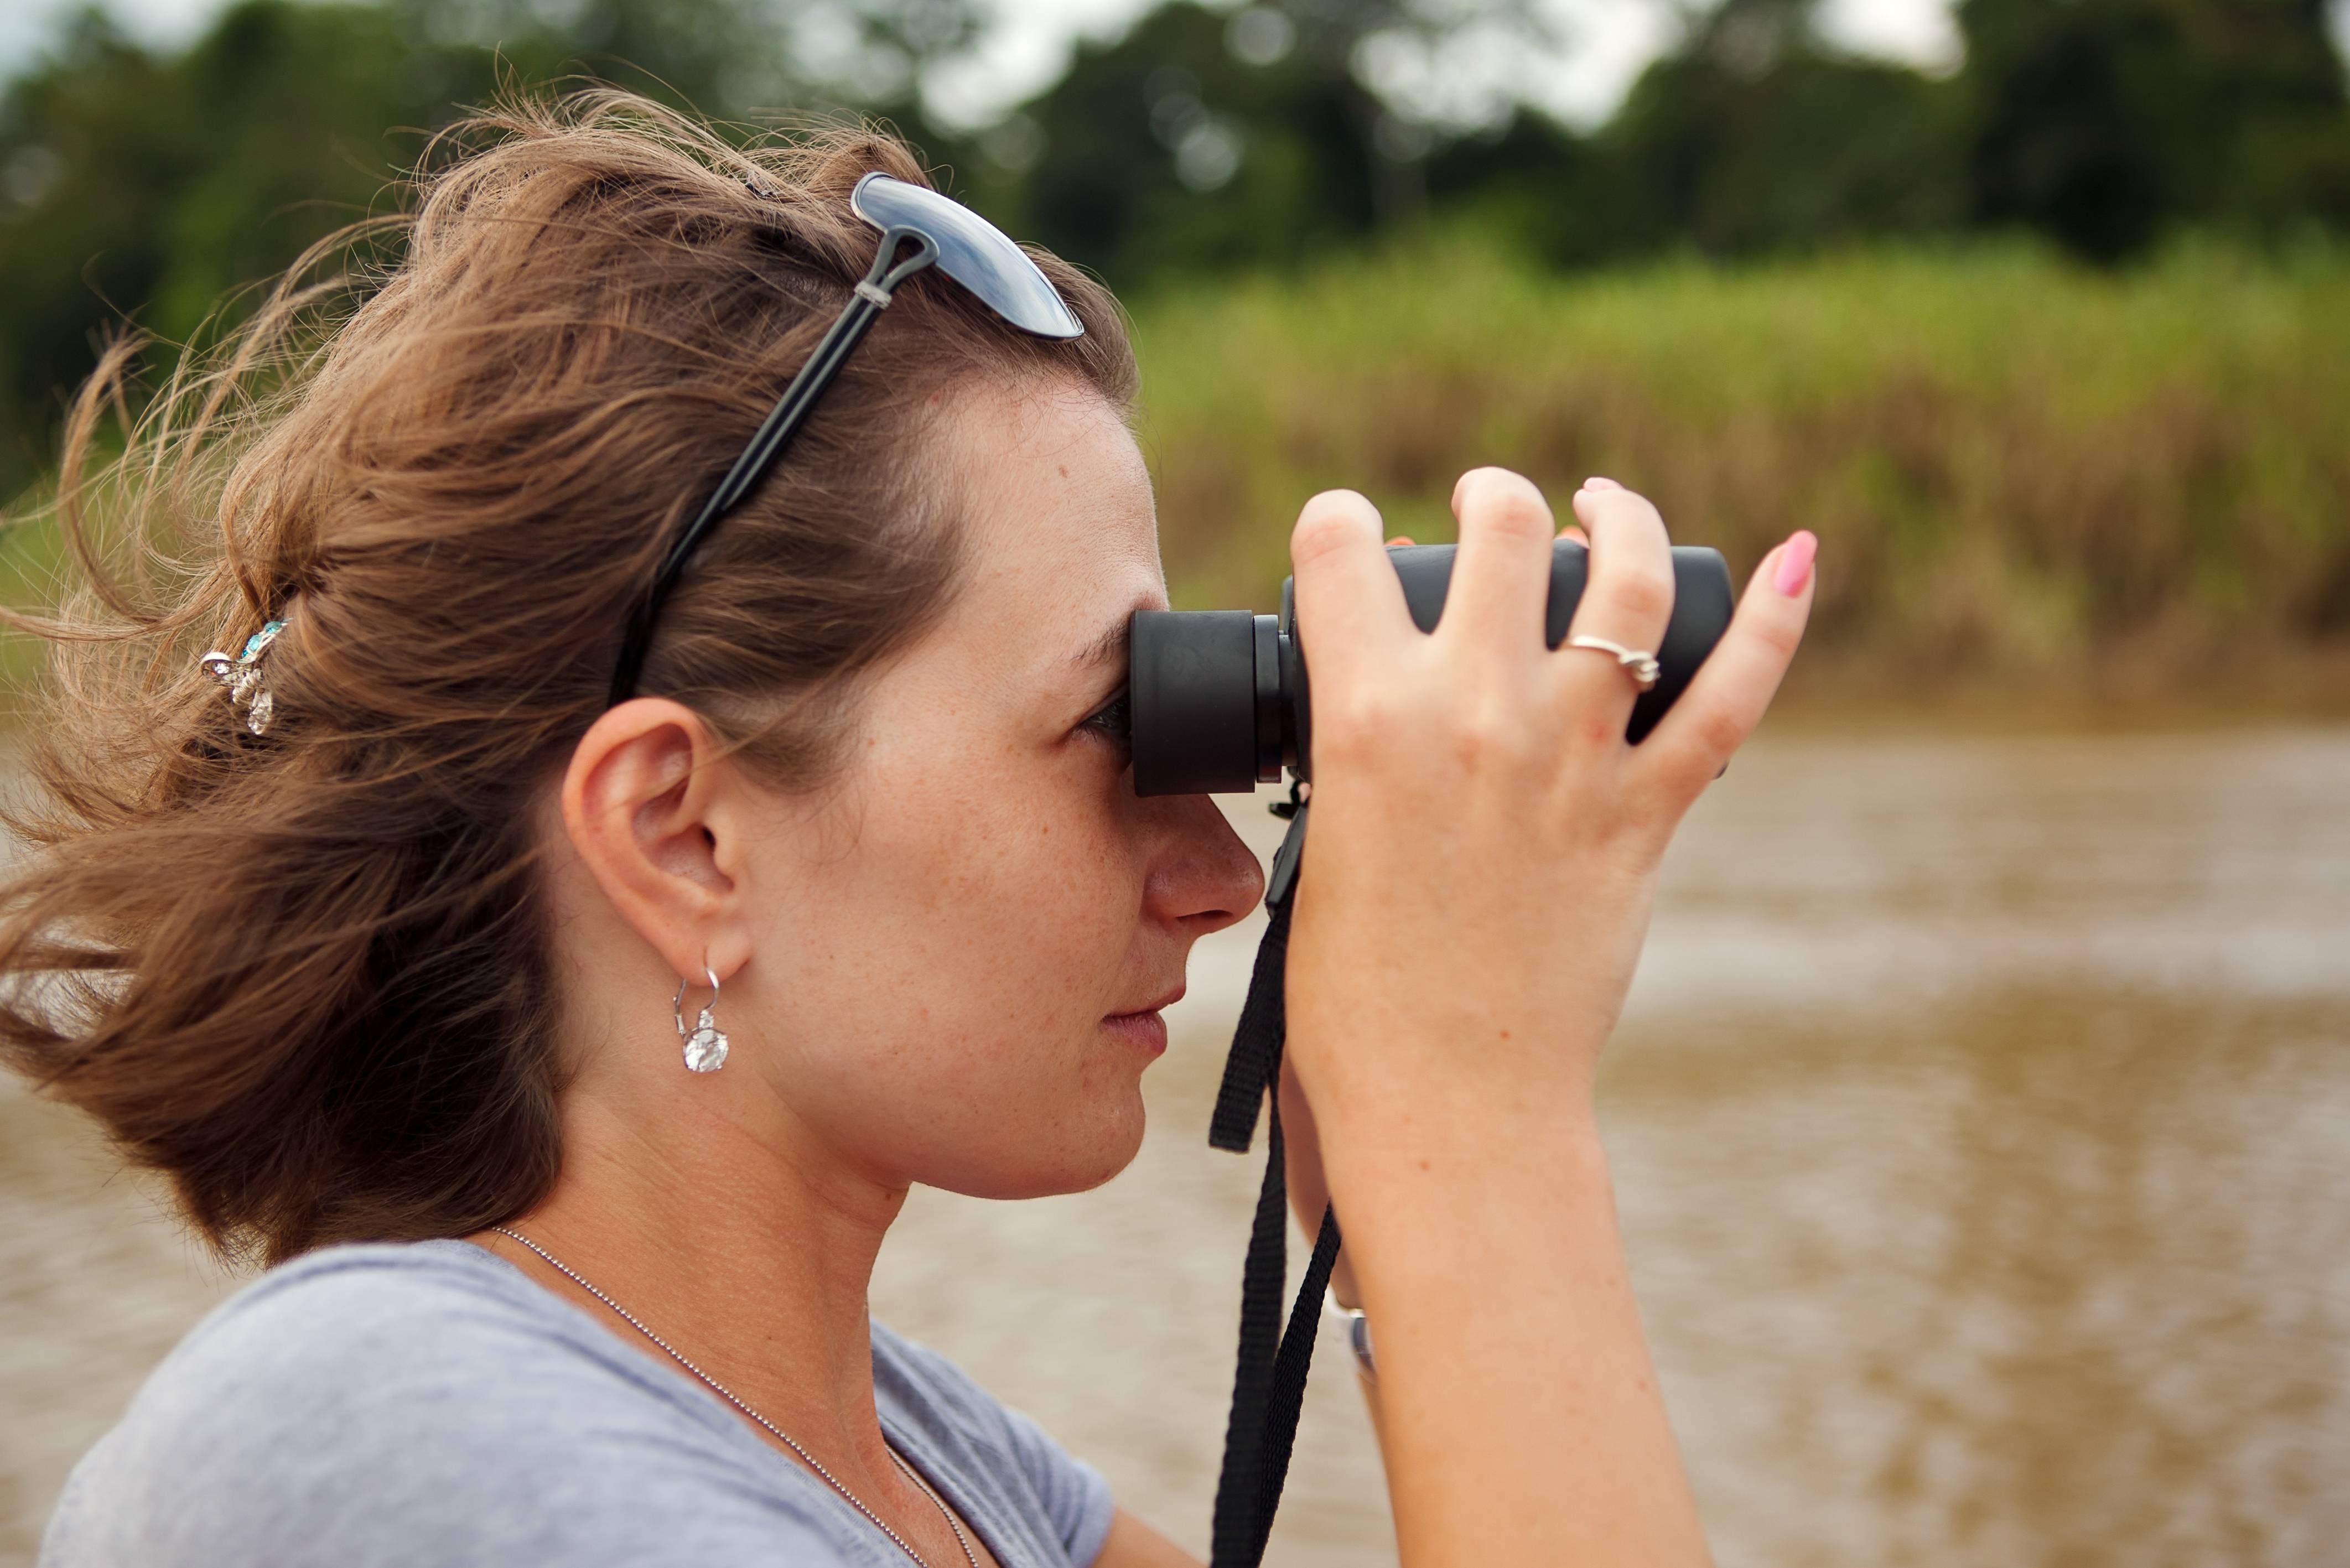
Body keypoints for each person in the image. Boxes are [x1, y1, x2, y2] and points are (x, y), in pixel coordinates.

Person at [2, 89, 1815, 1568]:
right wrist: (1472, 1117)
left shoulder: (912, 1454)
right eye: (1112, 732)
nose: (1214, 875)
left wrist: (1410, 1226)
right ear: (686, 836)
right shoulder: (375, 1433)